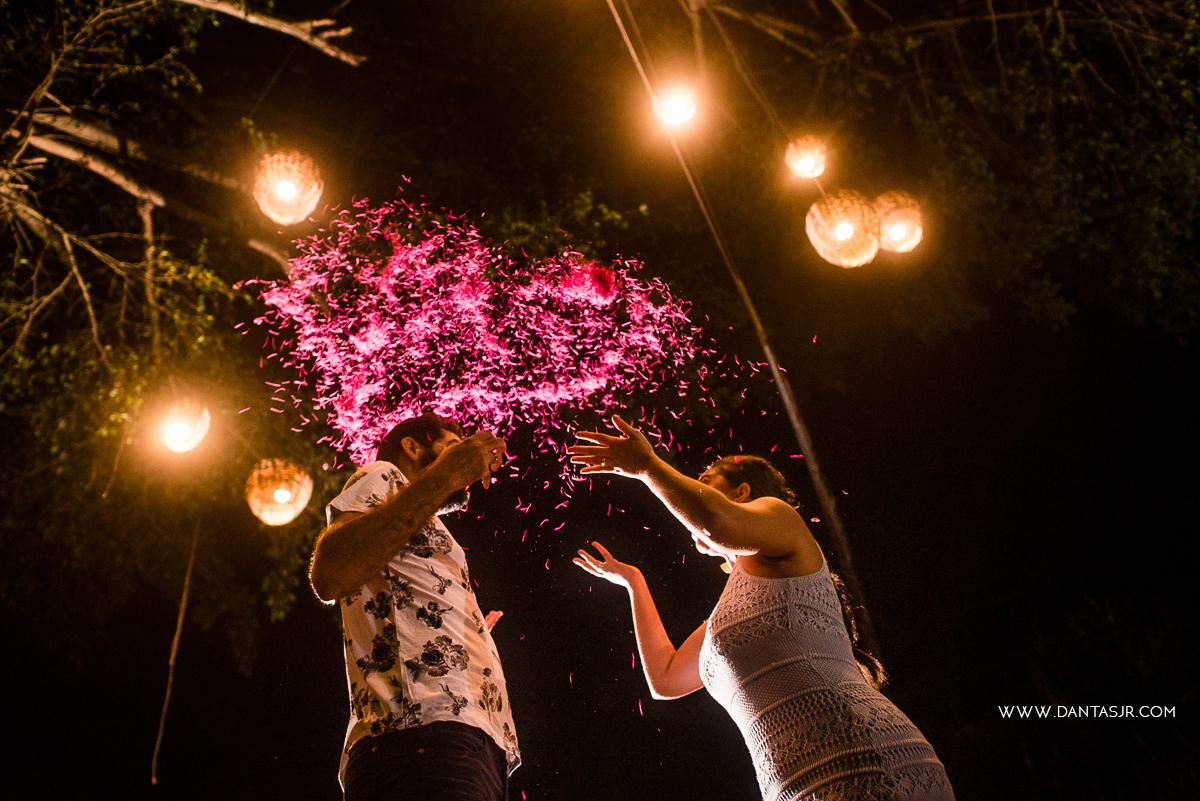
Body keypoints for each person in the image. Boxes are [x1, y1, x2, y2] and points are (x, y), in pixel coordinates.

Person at [568, 416, 954, 801]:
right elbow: (665, 680)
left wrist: (649, 467)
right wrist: (634, 582)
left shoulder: (783, 520)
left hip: (862, 762)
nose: (690, 494)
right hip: (797, 787)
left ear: (741, 494)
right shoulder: (731, 613)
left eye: (705, 484)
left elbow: (714, 520)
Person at [311, 412, 520, 801]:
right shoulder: (383, 476)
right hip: (422, 737)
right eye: (453, 447)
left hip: (469, 743)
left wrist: (464, 635)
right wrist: (446, 475)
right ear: (412, 446)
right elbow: (331, 572)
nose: (467, 460)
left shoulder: (423, 524)